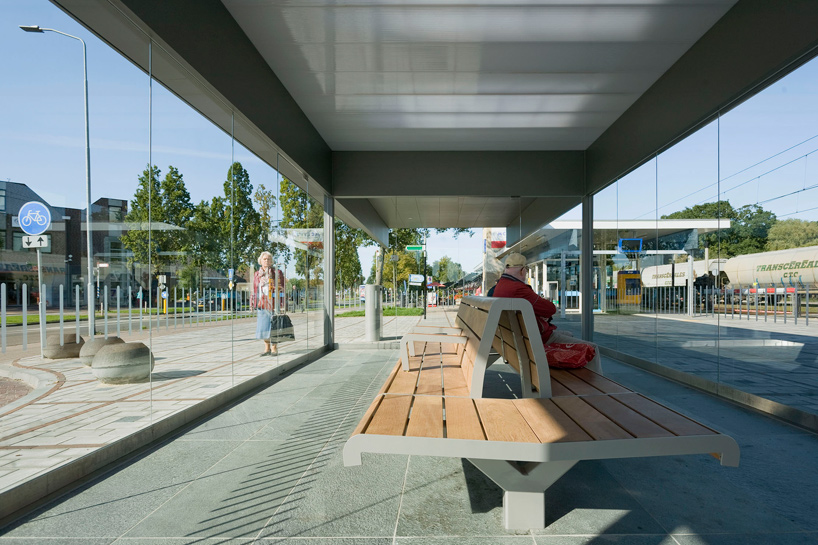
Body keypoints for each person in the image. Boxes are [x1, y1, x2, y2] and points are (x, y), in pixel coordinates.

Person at [491, 252, 558, 344]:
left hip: (515, 339)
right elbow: (551, 309)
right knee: (582, 344)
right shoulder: (518, 288)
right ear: (522, 270)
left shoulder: (500, 286)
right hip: (535, 340)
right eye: (526, 269)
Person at [250, 251, 285, 357]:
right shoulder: (257, 274)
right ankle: (267, 348)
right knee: (263, 327)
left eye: (269, 259)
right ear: (260, 261)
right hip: (262, 302)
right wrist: (252, 303)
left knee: (274, 326)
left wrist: (282, 302)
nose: (267, 261)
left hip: (274, 302)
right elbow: (254, 289)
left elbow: (282, 287)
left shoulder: (277, 272)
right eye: (264, 259)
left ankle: (274, 348)